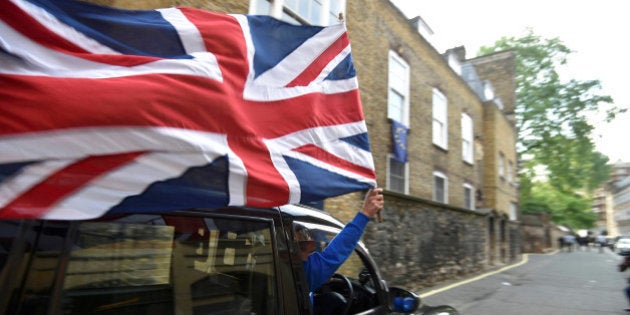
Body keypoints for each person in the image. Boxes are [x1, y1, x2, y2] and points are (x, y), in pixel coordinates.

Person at [295, 187, 384, 314]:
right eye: (302, 247)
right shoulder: (301, 272)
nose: (311, 255)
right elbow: (336, 251)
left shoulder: (279, 273)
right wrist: (365, 214)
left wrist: (321, 278)